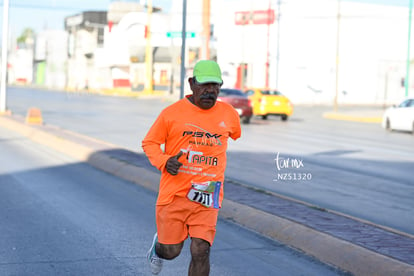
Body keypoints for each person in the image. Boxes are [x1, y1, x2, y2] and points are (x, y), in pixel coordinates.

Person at [142, 60, 241, 275]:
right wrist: (164, 161)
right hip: (174, 195)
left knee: (201, 250)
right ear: (191, 84)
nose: (210, 91)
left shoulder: (229, 115)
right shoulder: (171, 113)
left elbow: (234, 133)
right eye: (204, 85)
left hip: (207, 195)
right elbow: (149, 143)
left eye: (215, 85)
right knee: (171, 251)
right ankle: (158, 248)